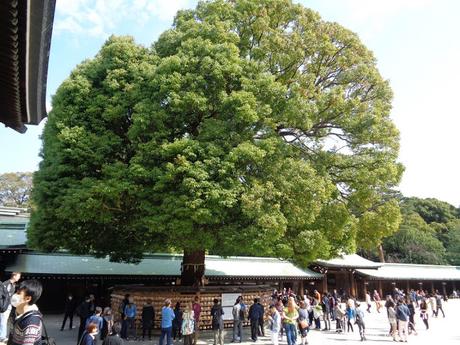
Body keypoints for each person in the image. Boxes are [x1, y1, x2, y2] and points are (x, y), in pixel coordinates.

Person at [6, 280, 41, 345]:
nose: (15, 295)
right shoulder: (15, 311)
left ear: (27, 298)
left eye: (19, 293)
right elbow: (11, 334)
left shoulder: (32, 321)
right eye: (16, 292)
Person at [0, 272, 21, 343]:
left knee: (4, 321)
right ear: (14, 276)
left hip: (8, 306)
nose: (19, 278)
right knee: (3, 321)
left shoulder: (13, 284)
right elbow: (4, 296)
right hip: (5, 306)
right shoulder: (6, 284)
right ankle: (2, 337)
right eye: (18, 276)